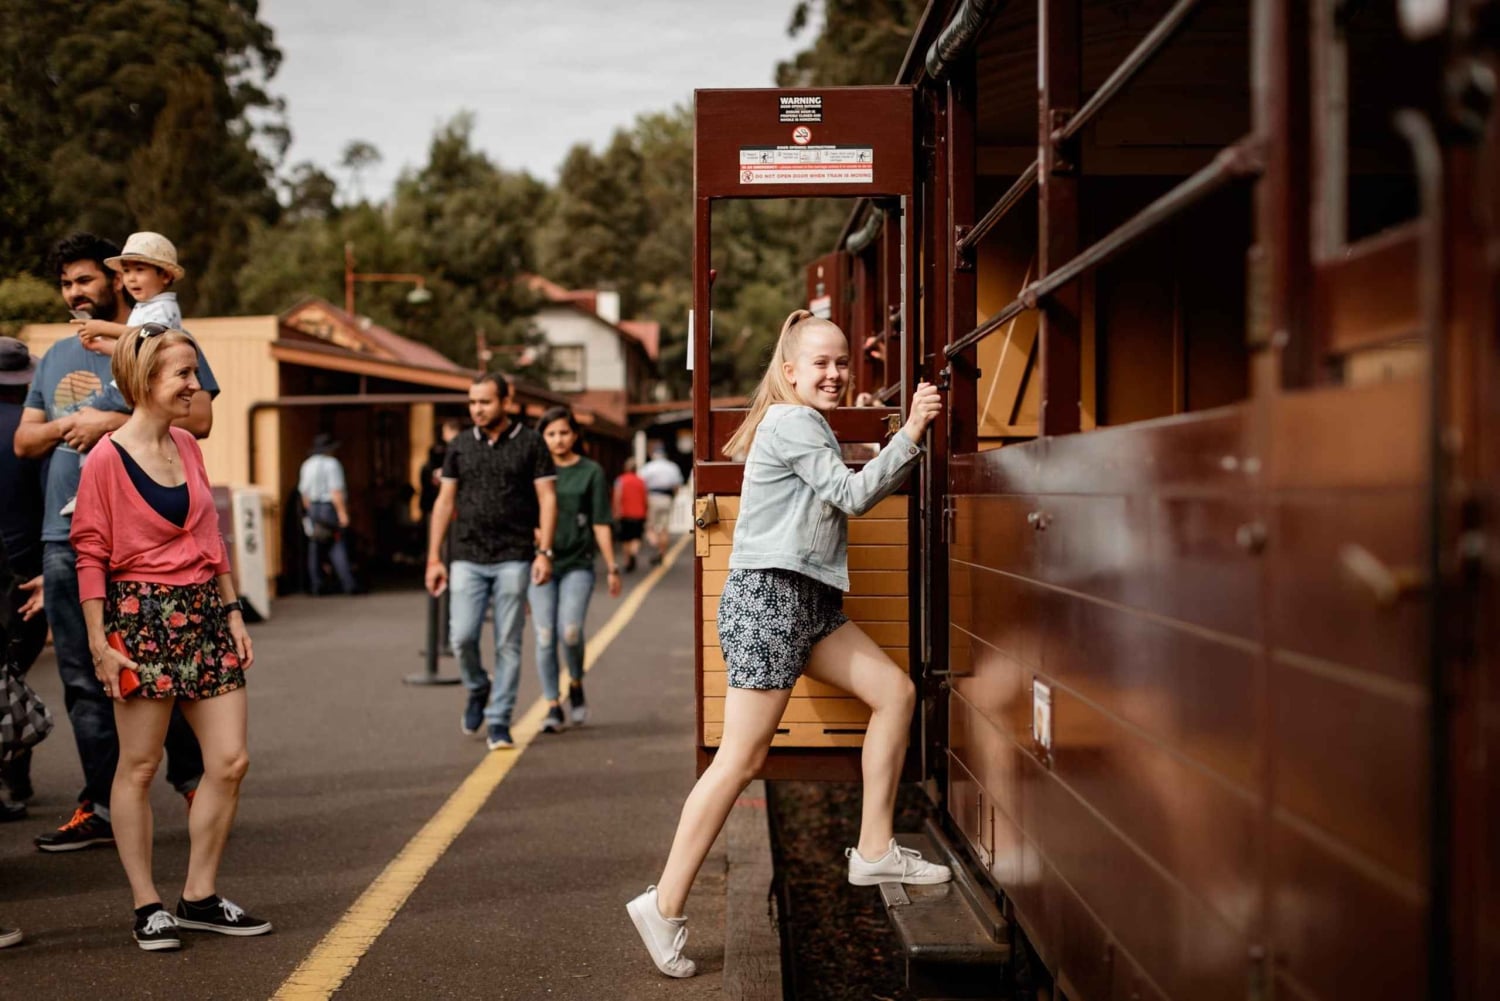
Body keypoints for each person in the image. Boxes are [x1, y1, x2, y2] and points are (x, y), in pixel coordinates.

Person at [627, 310, 950, 978]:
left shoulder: (803, 423)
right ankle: (662, 904)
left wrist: (872, 422)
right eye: (821, 363)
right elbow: (852, 495)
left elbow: (832, 480)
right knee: (739, 761)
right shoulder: (793, 421)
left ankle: (874, 849)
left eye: (842, 363)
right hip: (772, 601)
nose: (834, 374)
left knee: (894, 693)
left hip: (806, 603)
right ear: (791, 369)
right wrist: (912, 429)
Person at [15, 233, 216, 853]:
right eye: (66, 284)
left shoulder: (158, 342)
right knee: (83, 678)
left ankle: (193, 785)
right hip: (63, 535)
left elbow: (200, 420)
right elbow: (25, 441)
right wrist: (71, 425)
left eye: (86, 280)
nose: (76, 293)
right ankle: (100, 806)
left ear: (119, 282)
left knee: (163, 672)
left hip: (143, 537)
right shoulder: (52, 357)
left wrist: (110, 421)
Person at [72, 323, 270, 951]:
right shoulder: (106, 458)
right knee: (139, 766)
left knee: (230, 761)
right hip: (141, 618)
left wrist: (232, 610)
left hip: (205, 616)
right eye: (183, 373)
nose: (194, 384)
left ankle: (199, 896)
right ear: (144, 379)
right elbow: (89, 553)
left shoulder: (186, 444)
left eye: (193, 372)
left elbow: (209, 538)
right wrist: (100, 642)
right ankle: (147, 905)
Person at [425, 374, 557, 751]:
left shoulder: (531, 443)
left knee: (508, 643)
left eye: (485, 402)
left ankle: (499, 719)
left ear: (505, 401)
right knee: (461, 636)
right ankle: (478, 686)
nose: (477, 410)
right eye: (472, 403)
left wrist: (544, 552)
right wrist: (434, 558)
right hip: (467, 555)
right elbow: (444, 502)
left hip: (514, 555)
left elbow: (547, 498)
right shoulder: (460, 445)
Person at [531, 407, 621, 732]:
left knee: (569, 631)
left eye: (564, 433)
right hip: (540, 564)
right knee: (544, 635)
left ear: (574, 435)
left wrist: (611, 566)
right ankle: (553, 705)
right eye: (551, 434)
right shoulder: (534, 470)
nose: (558, 440)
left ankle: (576, 682)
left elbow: (601, 521)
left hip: (578, 564)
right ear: (542, 438)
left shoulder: (590, 471)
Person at [0, 338, 48, 819]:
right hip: (28, 574)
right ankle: (14, 775)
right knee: (12, 673)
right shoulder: (36, 434)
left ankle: (13, 776)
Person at [72, 231, 185, 352]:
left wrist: (104, 328)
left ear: (165, 276)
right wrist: (100, 345)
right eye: (126, 271)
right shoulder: (146, 307)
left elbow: (149, 336)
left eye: (139, 269)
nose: (131, 278)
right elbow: (136, 351)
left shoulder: (163, 307)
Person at [298, 433, 357, 596]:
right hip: (328, 508)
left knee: (315, 545)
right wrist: (343, 514)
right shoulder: (332, 465)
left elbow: (304, 494)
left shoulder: (307, 465)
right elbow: (335, 491)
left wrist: (310, 511)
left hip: (313, 508)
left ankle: (316, 584)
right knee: (336, 543)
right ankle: (348, 583)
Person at [639, 443, 684, 565]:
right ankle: (662, 552)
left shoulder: (648, 467)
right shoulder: (672, 467)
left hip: (652, 497)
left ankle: (655, 544)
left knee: (650, 526)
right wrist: (673, 498)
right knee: (664, 528)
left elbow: (641, 485)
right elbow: (677, 486)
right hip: (666, 498)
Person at [420, 418, 465, 520]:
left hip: (457, 501)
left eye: (444, 432)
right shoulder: (446, 448)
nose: (443, 436)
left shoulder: (460, 448)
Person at [613, 457, 648, 574]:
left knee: (626, 539)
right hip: (639, 513)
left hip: (625, 514)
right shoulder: (641, 481)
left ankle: (628, 560)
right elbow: (645, 498)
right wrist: (646, 510)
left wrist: (616, 511)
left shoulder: (620, 480)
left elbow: (617, 496)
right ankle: (633, 552)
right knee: (636, 537)